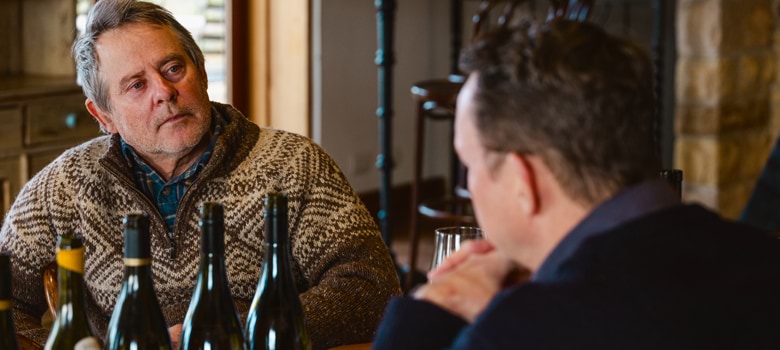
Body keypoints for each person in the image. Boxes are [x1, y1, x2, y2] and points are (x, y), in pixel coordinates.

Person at [0, 0, 400, 348]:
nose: (164, 92)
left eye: (173, 68)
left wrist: (230, 331)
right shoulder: (65, 185)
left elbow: (373, 288)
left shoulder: (293, 164)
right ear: (104, 116)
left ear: (202, 72)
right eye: (136, 85)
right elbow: (6, 303)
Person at [374, 18, 780, 349]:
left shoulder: (519, 330)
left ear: (521, 181)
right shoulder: (764, 260)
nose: (470, 186)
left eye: (470, 166)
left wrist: (433, 305)